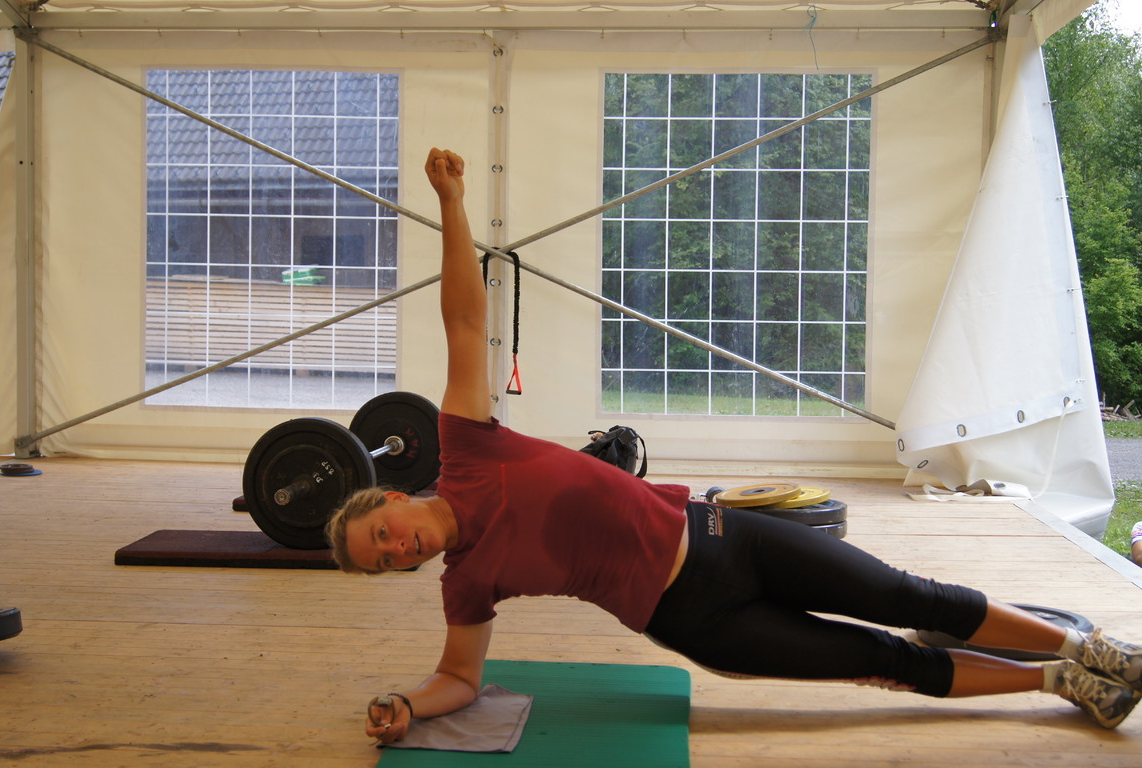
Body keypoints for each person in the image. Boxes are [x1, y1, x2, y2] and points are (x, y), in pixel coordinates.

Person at [325, 148, 1142, 743]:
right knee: (887, 661)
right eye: (384, 564)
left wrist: (453, 203)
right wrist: (407, 705)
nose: (397, 552)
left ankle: (1090, 645)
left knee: (912, 599)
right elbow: (459, 679)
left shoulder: (467, 447)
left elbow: (463, 322)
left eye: (381, 535)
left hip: (724, 538)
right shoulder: (466, 584)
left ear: (392, 499)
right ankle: (1058, 682)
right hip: (695, 619)